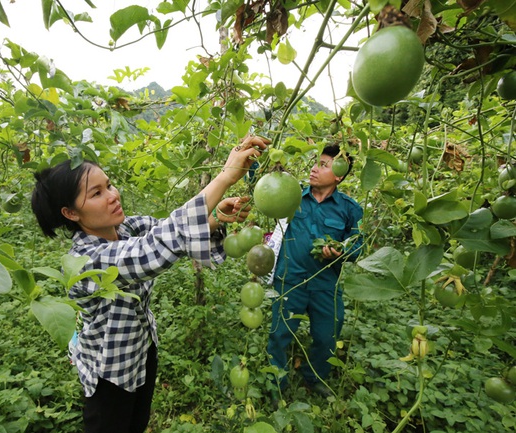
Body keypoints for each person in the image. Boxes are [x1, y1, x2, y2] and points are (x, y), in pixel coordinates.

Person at [30, 135, 268, 433]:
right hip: (109, 371)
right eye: (96, 194)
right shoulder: (86, 261)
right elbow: (152, 248)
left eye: (110, 185)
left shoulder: (126, 227)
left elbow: (167, 230)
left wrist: (215, 218)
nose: (113, 195)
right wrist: (225, 176)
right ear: (71, 213)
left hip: (141, 349)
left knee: (137, 424)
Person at [266, 144, 363, 398]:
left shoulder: (350, 209)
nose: (314, 168)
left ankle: (314, 376)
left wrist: (342, 251)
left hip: (325, 284)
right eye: (316, 162)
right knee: (280, 333)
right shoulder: (292, 194)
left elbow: (358, 243)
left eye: (323, 165)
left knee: (327, 335)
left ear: (339, 175)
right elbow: (264, 188)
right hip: (291, 279)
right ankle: (277, 383)